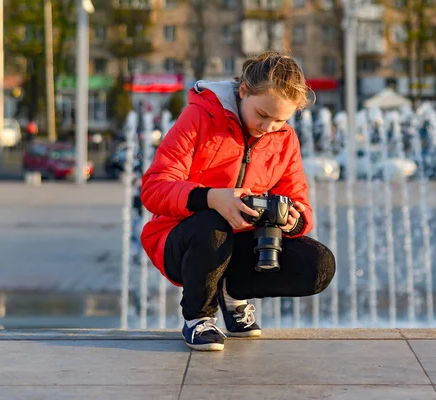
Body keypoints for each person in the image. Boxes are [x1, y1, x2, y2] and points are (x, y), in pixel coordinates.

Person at [139, 51, 336, 351]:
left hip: (241, 243)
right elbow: (154, 188)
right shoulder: (198, 117)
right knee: (213, 222)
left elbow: (300, 204)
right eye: (262, 114)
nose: (269, 127)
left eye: (280, 120)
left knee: (318, 264)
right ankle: (198, 317)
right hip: (181, 240)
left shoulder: (285, 140)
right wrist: (211, 197)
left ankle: (232, 291)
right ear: (244, 91)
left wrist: (292, 218)